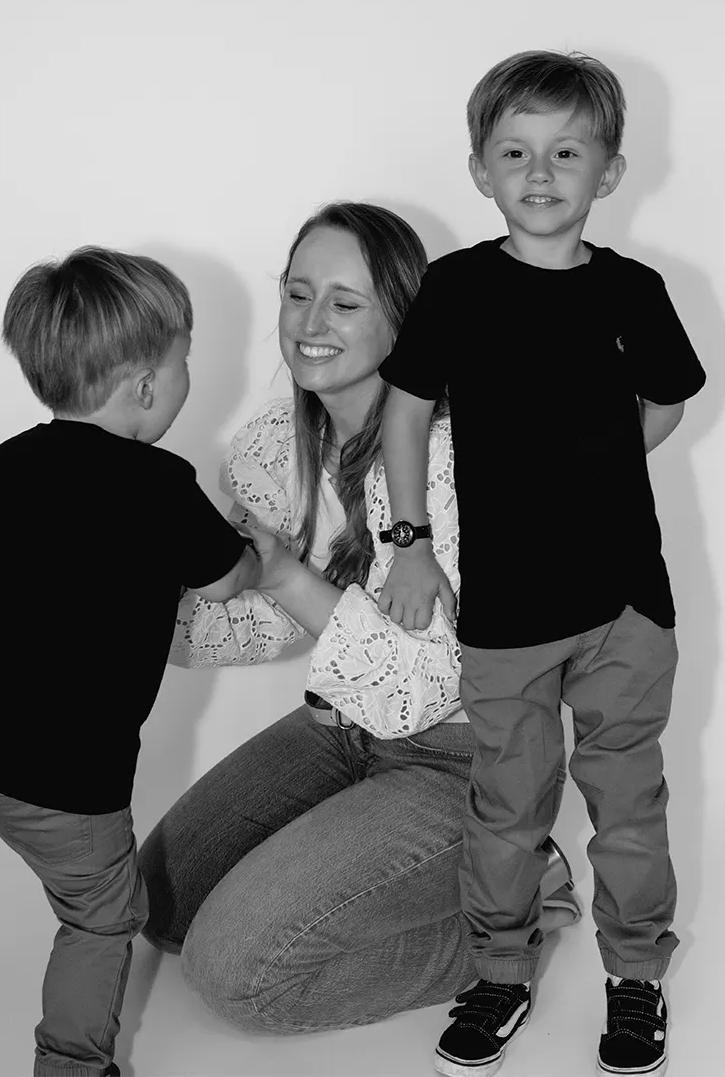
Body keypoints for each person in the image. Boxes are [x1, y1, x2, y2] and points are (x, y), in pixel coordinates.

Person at [138, 201, 579, 1035]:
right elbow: (255, 623)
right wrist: (120, 596)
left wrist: (278, 569)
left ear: (405, 324)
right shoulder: (278, 447)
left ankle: (512, 911)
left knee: (237, 978)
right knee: (156, 907)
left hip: (463, 759)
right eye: (297, 294)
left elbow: (415, 692)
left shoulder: (453, 462)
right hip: (338, 728)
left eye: (345, 302)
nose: (310, 323)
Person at [377, 52, 706, 1077]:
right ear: (478, 168)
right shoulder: (454, 289)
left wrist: (592, 467)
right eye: (513, 151)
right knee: (505, 809)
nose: (538, 172)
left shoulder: (632, 292)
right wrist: (409, 541)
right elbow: (403, 411)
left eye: (565, 151)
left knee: (627, 807)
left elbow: (663, 401)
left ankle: (635, 975)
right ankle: (499, 975)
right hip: (507, 618)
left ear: (607, 172)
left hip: (622, 609)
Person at [0, 248, 260, 1077]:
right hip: (69, 786)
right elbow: (226, 581)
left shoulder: (1, 463)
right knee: (99, 920)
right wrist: (257, 552)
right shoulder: (163, 487)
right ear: (145, 386)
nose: (189, 377)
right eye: (184, 361)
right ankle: (73, 1064)